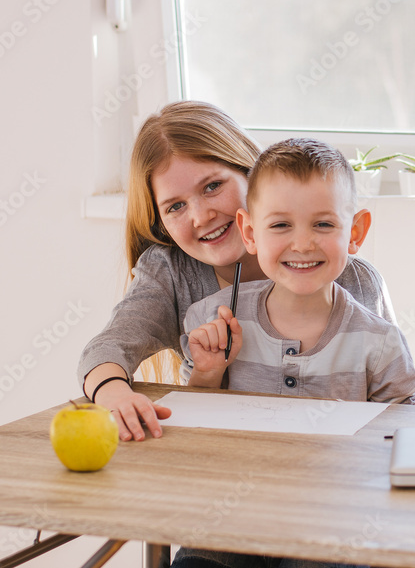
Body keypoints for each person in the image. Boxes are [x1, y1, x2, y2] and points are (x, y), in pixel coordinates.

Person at [77, 101, 397, 441]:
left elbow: (391, 392)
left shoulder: (352, 279)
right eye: (176, 207)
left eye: (212, 186)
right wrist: (116, 396)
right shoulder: (172, 273)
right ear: (161, 222)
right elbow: (106, 349)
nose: (201, 216)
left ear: (251, 174)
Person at [180, 137, 415, 404]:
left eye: (323, 224)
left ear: (355, 233)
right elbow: (195, 421)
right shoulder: (209, 320)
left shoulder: (381, 344)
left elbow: (405, 428)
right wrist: (208, 373)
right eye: (281, 225)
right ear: (250, 233)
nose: (303, 245)